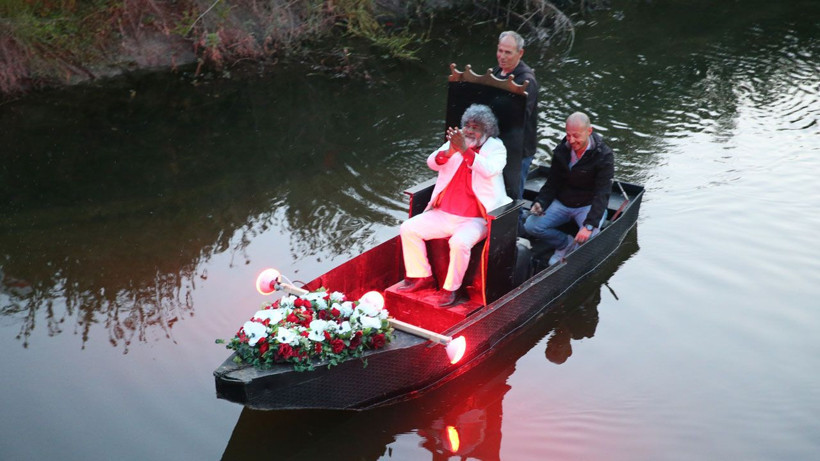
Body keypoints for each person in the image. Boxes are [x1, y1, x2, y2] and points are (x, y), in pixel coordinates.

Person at [398, 104, 512, 307]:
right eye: (467, 125)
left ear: (486, 130)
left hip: (477, 218)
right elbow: (432, 162)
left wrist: (466, 151)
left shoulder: (496, 147)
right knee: (408, 228)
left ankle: (452, 290)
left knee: (459, 243)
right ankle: (422, 277)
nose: (469, 130)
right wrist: (449, 152)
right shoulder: (457, 140)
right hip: (444, 213)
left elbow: (490, 170)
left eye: (475, 127)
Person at [523, 112, 614, 265]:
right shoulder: (562, 150)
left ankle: (573, 257)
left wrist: (589, 225)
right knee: (530, 226)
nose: (571, 140)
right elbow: (552, 182)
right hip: (563, 202)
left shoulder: (604, 155)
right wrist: (540, 203)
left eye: (576, 136)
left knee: (591, 237)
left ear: (589, 131)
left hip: (587, 205)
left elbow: (602, 193)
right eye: (568, 135)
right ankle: (563, 243)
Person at [492, 30, 539, 199]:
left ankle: (517, 224)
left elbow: (518, 118)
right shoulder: (497, 72)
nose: (502, 56)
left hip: (518, 150)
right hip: (498, 144)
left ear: (520, 53)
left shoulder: (527, 81)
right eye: (500, 51)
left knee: (513, 194)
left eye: (507, 52)